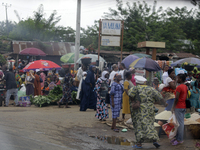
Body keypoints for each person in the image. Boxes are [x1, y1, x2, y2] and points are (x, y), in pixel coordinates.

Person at [128, 76, 163, 149]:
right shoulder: (151, 88)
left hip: (139, 109)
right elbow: (159, 97)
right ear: (144, 82)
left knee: (139, 125)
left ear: (137, 82)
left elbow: (130, 94)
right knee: (150, 124)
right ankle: (155, 140)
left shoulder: (135, 88)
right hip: (150, 109)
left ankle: (139, 144)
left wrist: (134, 102)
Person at [171, 74, 187, 146]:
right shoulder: (185, 86)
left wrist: (173, 107)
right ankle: (177, 137)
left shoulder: (179, 87)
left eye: (178, 78)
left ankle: (179, 139)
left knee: (180, 124)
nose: (177, 79)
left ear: (181, 79)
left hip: (178, 106)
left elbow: (176, 98)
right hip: (183, 106)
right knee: (179, 123)